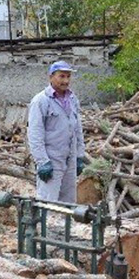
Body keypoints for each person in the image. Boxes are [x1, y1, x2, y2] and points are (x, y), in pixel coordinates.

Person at [27, 61, 86, 203]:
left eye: (68, 77)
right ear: (51, 77)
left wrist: (79, 156)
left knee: (68, 204)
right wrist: (42, 162)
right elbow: (35, 134)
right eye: (62, 76)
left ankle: (66, 226)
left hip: (70, 160)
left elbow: (78, 129)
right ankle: (46, 226)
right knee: (48, 203)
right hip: (52, 161)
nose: (66, 81)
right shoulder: (41, 101)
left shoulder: (72, 99)